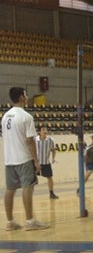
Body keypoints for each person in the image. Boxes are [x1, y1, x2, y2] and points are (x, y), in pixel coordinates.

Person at [2, 87, 49, 231]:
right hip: (23, 158)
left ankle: (10, 222)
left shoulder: (5, 116)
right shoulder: (26, 117)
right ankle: (30, 221)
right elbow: (30, 141)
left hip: (9, 159)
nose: (27, 97)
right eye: (26, 95)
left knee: (10, 189)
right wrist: (36, 161)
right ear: (22, 97)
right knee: (28, 188)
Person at [35, 126, 59, 199]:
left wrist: (53, 158)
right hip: (36, 163)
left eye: (46, 129)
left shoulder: (50, 140)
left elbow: (53, 150)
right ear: (39, 132)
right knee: (30, 178)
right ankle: (28, 193)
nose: (45, 131)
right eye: (43, 129)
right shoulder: (35, 140)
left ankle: (51, 193)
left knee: (50, 177)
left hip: (46, 162)